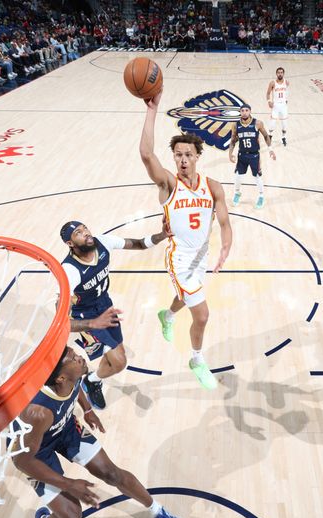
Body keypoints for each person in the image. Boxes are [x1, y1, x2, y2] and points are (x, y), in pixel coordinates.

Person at [11, 345, 186, 518]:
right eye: (74, 359)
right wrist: (69, 484)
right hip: (36, 452)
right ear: (61, 378)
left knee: (112, 474)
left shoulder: (69, 374)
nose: (80, 358)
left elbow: (74, 385)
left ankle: (157, 511)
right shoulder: (38, 412)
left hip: (65, 427)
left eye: (76, 354)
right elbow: (21, 460)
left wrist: (87, 409)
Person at [139, 90, 233, 390]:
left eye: (188, 154)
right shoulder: (168, 183)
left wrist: (227, 246)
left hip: (201, 256)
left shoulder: (213, 186)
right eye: (178, 154)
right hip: (179, 259)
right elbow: (146, 155)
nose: (182, 159)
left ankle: (166, 315)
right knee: (202, 315)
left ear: (197, 156)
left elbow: (225, 222)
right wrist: (152, 111)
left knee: (187, 297)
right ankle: (196, 359)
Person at [60, 220, 171, 409]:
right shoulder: (70, 271)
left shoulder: (103, 242)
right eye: (78, 232)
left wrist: (161, 235)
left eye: (85, 227)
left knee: (115, 357)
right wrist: (93, 323)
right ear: (70, 243)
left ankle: (92, 381)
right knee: (120, 362)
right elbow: (62, 322)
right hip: (86, 317)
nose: (86, 232)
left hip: (106, 306)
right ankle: (92, 381)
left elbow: (138, 243)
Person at [227, 103, 275, 208]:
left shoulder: (257, 123)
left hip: (254, 155)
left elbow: (266, 136)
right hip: (242, 155)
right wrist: (230, 154)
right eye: (242, 110)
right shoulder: (235, 125)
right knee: (238, 176)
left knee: (257, 176)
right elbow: (233, 140)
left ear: (250, 111)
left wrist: (270, 149)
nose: (244, 112)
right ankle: (237, 193)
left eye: (246, 110)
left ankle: (261, 196)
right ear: (240, 112)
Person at [265, 67, 289, 146]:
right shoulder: (272, 83)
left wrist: (286, 99)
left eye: (281, 72)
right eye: (278, 72)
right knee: (272, 123)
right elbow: (268, 93)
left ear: (283, 73)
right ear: (276, 73)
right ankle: (270, 137)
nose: (280, 74)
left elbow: (286, 91)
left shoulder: (287, 82)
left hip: (283, 106)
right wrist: (269, 101)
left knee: (284, 124)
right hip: (275, 105)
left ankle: (284, 137)